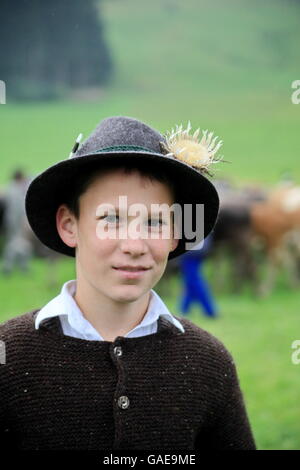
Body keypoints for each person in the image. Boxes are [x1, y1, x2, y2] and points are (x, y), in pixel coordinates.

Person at [0, 116, 256, 450]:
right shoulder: (10, 359)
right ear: (69, 224)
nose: (135, 245)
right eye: (111, 219)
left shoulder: (208, 362)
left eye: (154, 222)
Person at [1, 169, 33, 275]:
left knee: (14, 244)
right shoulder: (17, 190)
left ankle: (14, 266)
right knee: (18, 244)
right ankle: (15, 266)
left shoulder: (10, 188)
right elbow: (18, 210)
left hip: (10, 222)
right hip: (17, 223)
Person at [178, 235, 218, 318]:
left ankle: (210, 311)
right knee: (190, 281)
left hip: (192, 249)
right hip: (197, 248)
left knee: (193, 281)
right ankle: (184, 309)